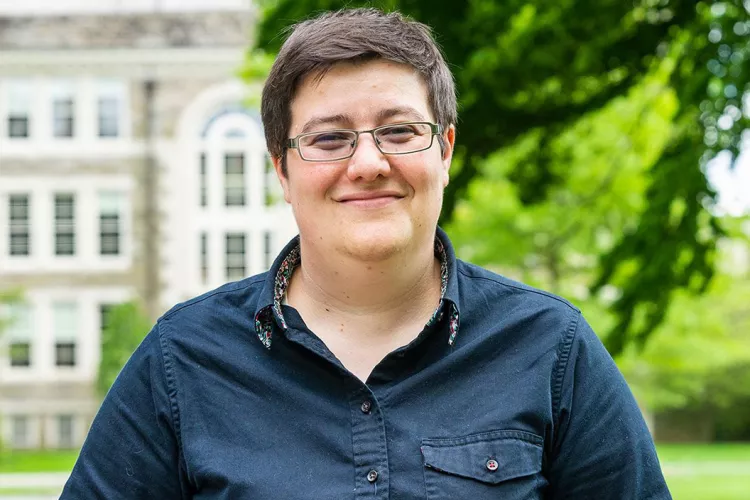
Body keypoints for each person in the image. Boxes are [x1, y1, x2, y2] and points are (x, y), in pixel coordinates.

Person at [62, 8, 671, 499]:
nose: (369, 164)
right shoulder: (183, 359)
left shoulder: (550, 346)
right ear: (282, 170)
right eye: (329, 138)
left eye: (399, 131)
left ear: (445, 151)